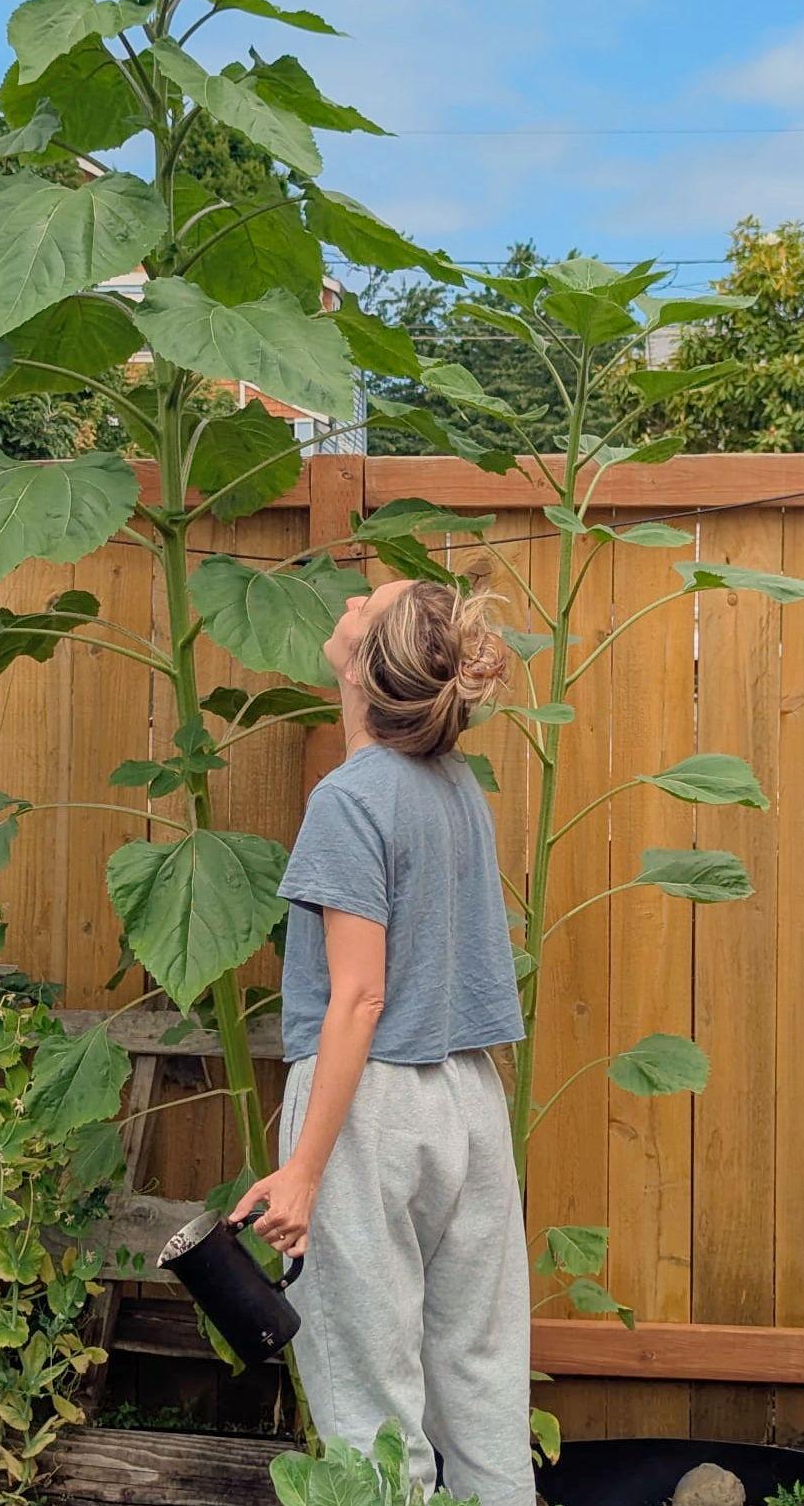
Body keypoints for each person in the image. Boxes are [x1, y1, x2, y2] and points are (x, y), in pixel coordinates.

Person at [230, 577, 534, 1506]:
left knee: (371, 1408)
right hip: (470, 1102)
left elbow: (359, 997)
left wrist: (303, 1172)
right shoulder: (457, 789)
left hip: (372, 1111)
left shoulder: (349, 799)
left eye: (369, 601)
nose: (353, 595)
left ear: (364, 665)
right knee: (483, 1381)